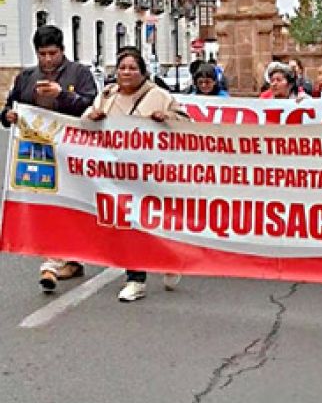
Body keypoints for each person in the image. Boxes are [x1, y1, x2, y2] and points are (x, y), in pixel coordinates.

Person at [84, 47, 187, 302]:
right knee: (128, 225)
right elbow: (82, 125)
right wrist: (92, 117)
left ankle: (169, 258)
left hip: (153, 174)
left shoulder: (159, 95)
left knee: (155, 222)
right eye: (122, 68)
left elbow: (187, 123)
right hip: (117, 173)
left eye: (132, 68)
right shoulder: (106, 96)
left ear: (142, 72)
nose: (126, 73)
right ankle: (135, 278)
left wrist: (167, 117)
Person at [1, 25, 98, 293]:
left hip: (72, 153)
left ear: (62, 51)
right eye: (42, 54)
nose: (47, 59)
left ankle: (60, 261)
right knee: (45, 205)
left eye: (52, 53)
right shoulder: (26, 77)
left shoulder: (80, 73)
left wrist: (62, 95)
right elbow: (12, 105)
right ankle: (59, 257)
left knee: (70, 204)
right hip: (36, 152)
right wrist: (8, 115)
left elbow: (91, 108)